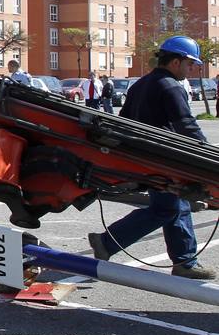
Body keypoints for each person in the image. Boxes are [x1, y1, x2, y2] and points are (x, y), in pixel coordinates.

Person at [88, 36, 215, 280]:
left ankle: (184, 261)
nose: (193, 70)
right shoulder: (170, 86)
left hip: (146, 157)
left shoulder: (141, 84)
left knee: (177, 205)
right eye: (190, 64)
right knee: (166, 209)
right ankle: (107, 242)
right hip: (163, 159)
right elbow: (186, 125)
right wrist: (210, 155)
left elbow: (123, 119)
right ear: (176, 62)